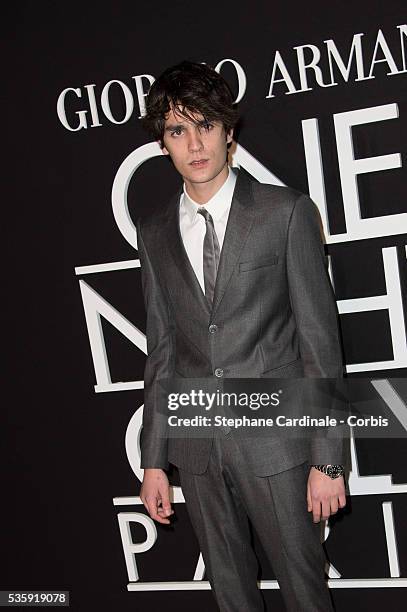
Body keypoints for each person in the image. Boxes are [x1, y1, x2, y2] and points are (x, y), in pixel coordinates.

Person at [137, 60, 348, 611]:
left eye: (205, 124)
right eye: (178, 131)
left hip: (278, 448)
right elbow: (162, 352)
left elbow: (319, 345)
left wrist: (328, 461)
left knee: (306, 595)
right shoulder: (154, 232)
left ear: (229, 131)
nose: (194, 143)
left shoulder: (286, 213)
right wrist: (154, 460)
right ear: (163, 144)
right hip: (200, 454)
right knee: (231, 597)